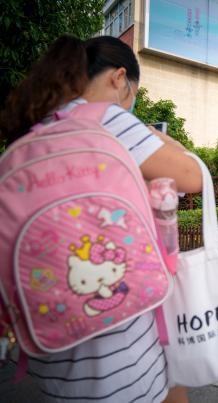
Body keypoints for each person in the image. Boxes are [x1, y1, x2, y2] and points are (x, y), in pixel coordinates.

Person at [0, 35, 201, 403]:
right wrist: (154, 134)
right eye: (133, 92)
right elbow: (193, 176)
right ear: (119, 78)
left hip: (53, 352)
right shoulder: (108, 119)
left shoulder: (28, 133)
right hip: (127, 348)